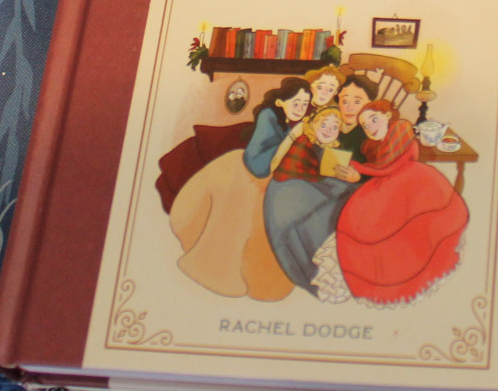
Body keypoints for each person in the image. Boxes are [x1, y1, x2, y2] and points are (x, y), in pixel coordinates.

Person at [169, 77, 310, 300]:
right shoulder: (269, 117)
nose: (300, 108)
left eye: (305, 104)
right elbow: (259, 164)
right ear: (281, 102)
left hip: (269, 176)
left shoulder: (294, 123)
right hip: (248, 170)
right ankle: (217, 270)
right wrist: (292, 138)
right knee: (244, 209)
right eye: (296, 103)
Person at [331, 100, 468, 305]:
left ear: (387, 115)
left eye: (374, 120)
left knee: (402, 222)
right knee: (357, 217)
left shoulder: (400, 131)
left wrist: (358, 167)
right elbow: (381, 168)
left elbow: (387, 167)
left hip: (411, 179)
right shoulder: (373, 145)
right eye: (365, 126)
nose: (370, 128)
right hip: (388, 182)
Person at [262, 108, 359, 291]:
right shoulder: (303, 143)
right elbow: (307, 178)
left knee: (350, 192)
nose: (328, 130)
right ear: (313, 125)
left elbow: (327, 175)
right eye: (324, 124)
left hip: (307, 186)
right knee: (331, 210)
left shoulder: (324, 150)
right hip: (289, 190)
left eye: (334, 127)